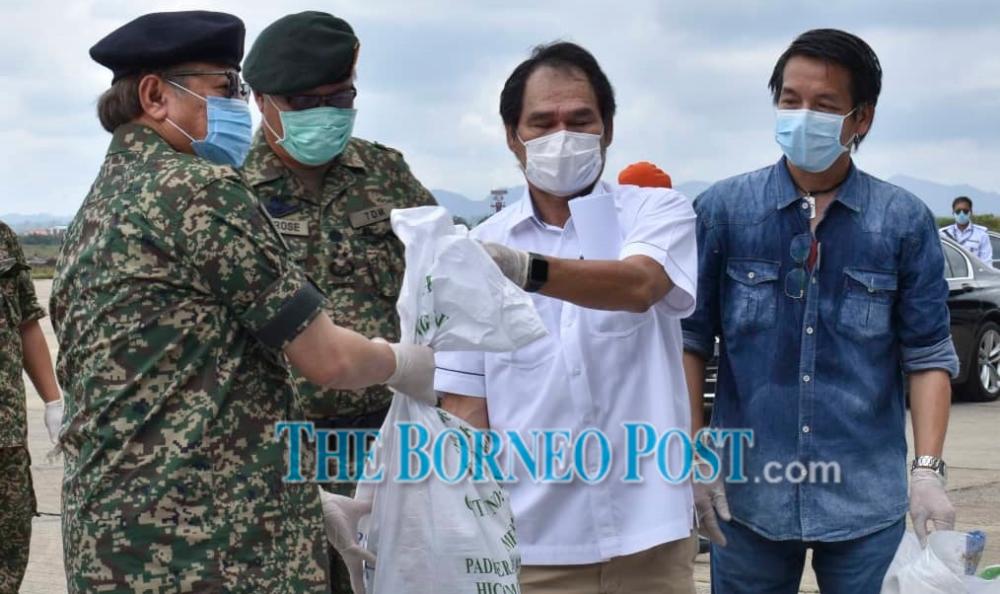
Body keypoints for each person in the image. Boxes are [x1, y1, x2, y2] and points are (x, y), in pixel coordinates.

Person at [51, 12, 433, 593]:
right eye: (226, 89)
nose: (238, 106)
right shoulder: (198, 188)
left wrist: (299, 499)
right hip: (213, 550)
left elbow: (182, 387)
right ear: (155, 95)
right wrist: (411, 365)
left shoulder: (101, 205)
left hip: (119, 538)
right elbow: (327, 359)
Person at [681, 29, 958, 593]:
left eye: (825, 106)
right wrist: (694, 452)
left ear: (862, 119)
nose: (803, 115)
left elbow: (927, 354)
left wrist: (927, 472)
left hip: (866, 503)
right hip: (746, 499)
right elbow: (689, 340)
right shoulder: (723, 213)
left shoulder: (902, 221)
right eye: (790, 100)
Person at [437, 42, 700, 594]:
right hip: (533, 542)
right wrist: (464, 519)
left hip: (649, 537)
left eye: (581, 120)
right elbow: (466, 403)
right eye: (542, 122)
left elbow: (640, 285)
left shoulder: (654, 213)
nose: (563, 136)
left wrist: (523, 269)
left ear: (607, 129)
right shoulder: (478, 249)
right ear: (514, 136)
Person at [239, 13, 437, 590]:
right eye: (305, 102)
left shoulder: (385, 174)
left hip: (388, 440)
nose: (325, 113)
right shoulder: (225, 189)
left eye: (340, 96)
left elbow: (436, 283)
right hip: (277, 450)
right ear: (262, 101)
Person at [0, 222, 62, 592]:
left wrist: (52, 400)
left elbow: (26, 322)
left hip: (6, 438)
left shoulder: (3, 237)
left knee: (11, 543)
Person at [940, 196, 993, 266]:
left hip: (973, 275)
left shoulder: (981, 235)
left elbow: (987, 262)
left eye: (965, 211)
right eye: (958, 211)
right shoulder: (943, 234)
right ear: (953, 212)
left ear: (970, 212)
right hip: (952, 275)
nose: (961, 214)